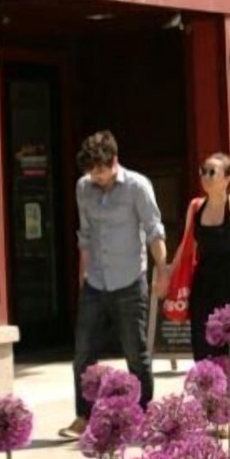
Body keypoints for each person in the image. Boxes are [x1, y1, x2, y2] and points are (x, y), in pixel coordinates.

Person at [60, 131, 167, 440]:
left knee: (136, 354)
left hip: (130, 280)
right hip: (95, 279)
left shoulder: (137, 186)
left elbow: (153, 230)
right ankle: (84, 416)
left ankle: (143, 417)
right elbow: (86, 234)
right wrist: (83, 275)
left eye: (101, 171)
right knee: (83, 353)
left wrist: (163, 270)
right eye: (91, 172)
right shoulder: (84, 188)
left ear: (114, 162)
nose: (96, 177)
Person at [161, 154, 230, 372]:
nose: (205, 176)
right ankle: (211, 398)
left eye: (212, 172)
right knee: (203, 343)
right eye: (203, 170)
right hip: (204, 283)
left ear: (228, 177)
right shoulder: (196, 207)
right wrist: (169, 275)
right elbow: (185, 248)